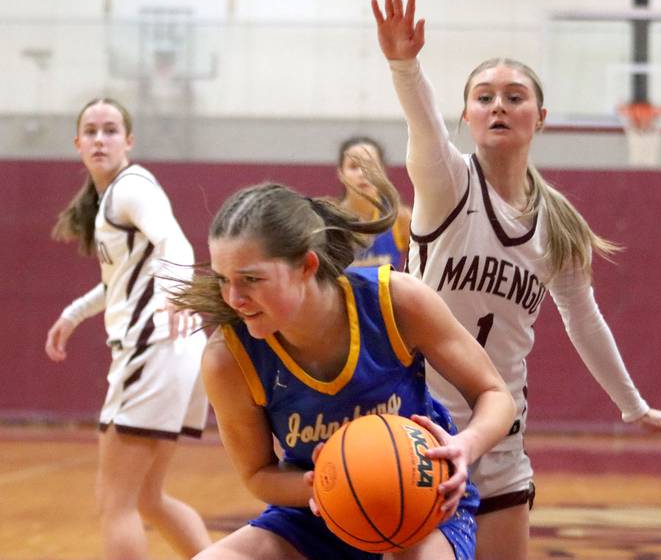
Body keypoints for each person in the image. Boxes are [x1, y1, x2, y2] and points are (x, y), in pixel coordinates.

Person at [371, 0, 661, 560]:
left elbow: (585, 320)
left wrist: (634, 406)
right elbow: (421, 124)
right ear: (466, 115)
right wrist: (404, 63)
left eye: (514, 97)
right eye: (484, 97)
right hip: (422, 424)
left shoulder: (559, 220)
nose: (498, 106)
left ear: (539, 117)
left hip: (501, 432)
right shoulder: (447, 183)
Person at [168, 167, 516, 560]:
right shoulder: (228, 358)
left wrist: (463, 447)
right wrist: (326, 486)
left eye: (250, 279)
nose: (233, 298)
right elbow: (256, 475)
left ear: (307, 266)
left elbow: (495, 394)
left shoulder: (395, 302)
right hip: (316, 513)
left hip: (421, 503)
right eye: (223, 280)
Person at [44, 98, 211, 559]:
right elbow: (117, 283)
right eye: (91, 131)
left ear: (129, 141)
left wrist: (177, 289)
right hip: (175, 348)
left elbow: (173, 241)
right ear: (78, 143)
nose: (100, 138)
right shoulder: (114, 200)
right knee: (146, 499)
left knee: (115, 503)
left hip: (154, 347)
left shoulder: (130, 189)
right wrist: (74, 315)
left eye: (111, 130)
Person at [335, 135, 411, 270]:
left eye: (370, 166)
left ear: (383, 172)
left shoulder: (400, 218)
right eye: (354, 166)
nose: (362, 173)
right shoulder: (329, 220)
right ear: (341, 173)